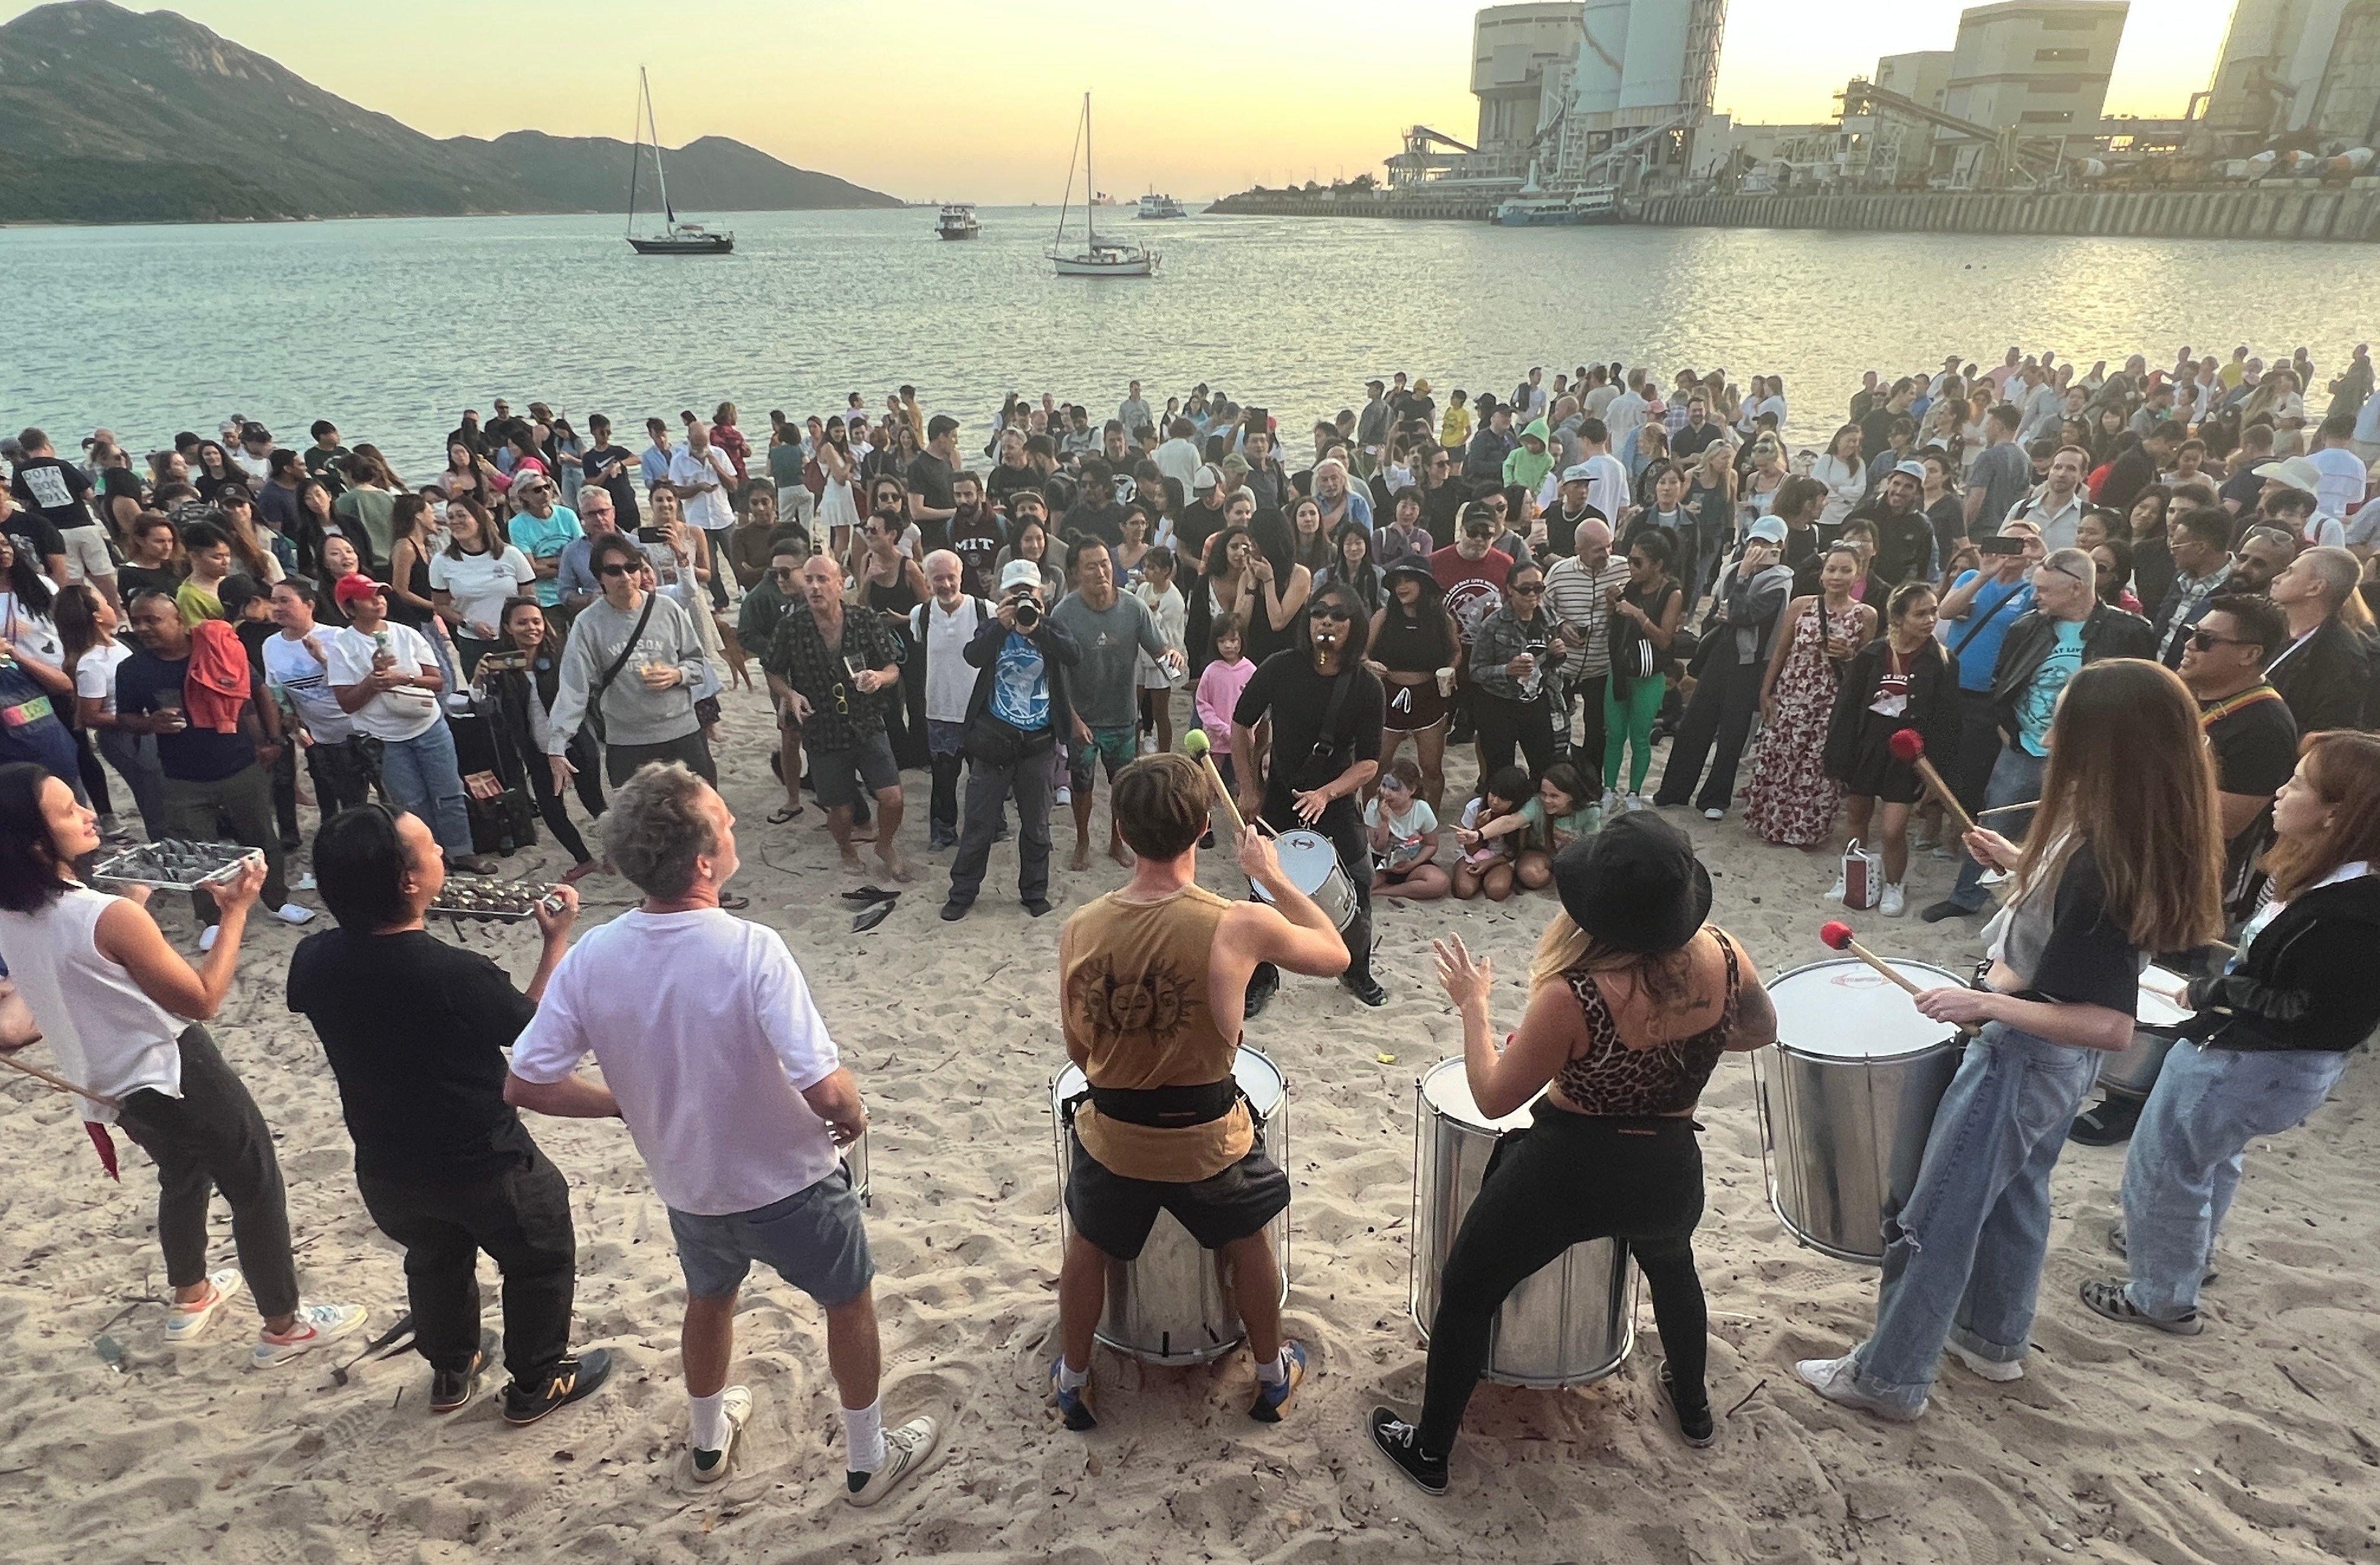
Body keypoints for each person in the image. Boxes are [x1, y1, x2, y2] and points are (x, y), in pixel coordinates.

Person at [1799, 659, 2222, 1421]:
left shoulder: (2099, 861)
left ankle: (1889, 1377)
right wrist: (2021, 865)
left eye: (2062, 718)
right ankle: (1992, 1339)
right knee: (2016, 1198)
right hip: (2054, 1064)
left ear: (2099, 742)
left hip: (2027, 1059)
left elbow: (2108, 1020)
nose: (2047, 730)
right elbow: (2078, 936)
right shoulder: (2117, 828)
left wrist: (1981, 1004)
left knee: (1934, 1218)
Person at [505, 764, 938, 1500]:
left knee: (709, 1299)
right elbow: (825, 1086)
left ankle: (707, 1445)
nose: (735, 824)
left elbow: (528, 1083)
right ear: (703, 861)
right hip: (789, 1184)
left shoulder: (592, 956)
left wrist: (628, 1103)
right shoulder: (751, 948)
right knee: (849, 1298)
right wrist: (853, 1114)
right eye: (726, 821)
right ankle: (867, 1459)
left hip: (690, 1186)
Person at [1370, 816, 1779, 1492]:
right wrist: (1676, 1044)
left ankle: (1430, 1452)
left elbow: (1495, 1096)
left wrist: (1473, 1007)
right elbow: (1760, 1028)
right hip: (1668, 1167)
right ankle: (1697, 1411)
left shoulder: (1573, 994)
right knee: (1674, 1271)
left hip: (1567, 1173)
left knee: (1468, 1291)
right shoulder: (1725, 954)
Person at [0, 765, 365, 1366]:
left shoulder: (18, 911)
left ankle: (191, 1293)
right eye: (69, 811)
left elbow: (78, 969)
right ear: (37, 842)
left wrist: (130, 906)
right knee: (255, 1180)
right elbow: (204, 998)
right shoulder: (104, 917)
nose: (90, 812)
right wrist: (238, 909)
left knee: (184, 1171)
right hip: (171, 1068)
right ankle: (284, 1324)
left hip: (108, 1085)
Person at [1049, 755, 1347, 1430]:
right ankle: (1271, 1377)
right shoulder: (1238, 921)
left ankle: (1072, 1381)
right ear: (1205, 826)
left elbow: (1078, 1051)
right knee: (1247, 1237)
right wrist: (1272, 876)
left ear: (1120, 830)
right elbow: (1335, 953)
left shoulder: (1080, 929)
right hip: (1206, 1139)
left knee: (1087, 1242)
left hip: (1117, 1137)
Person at [291, 805, 611, 1420]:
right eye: (431, 846)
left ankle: (451, 1365)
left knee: (434, 1257)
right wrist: (556, 943)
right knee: (539, 1257)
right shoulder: (454, 973)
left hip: (388, 1166)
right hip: (485, 1162)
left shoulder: (314, 960)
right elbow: (532, 1029)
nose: (442, 851)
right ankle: (539, 1379)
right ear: (409, 881)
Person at [2086, 732, 2380, 1335]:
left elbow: (2321, 1012)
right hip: (2257, 1059)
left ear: (2336, 811)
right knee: (2207, 1159)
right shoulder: (2332, 879)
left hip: (2254, 1060)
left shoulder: (2353, 909)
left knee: (2168, 1166)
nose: (2280, 790)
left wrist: (2208, 993)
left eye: (2297, 782)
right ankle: (2185, 1254)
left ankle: (2161, 1296)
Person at [1926, 550, 2154, 921]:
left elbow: (2141, 693)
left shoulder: (2130, 632)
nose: (2035, 596)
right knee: (1994, 824)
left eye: (2045, 589)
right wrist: (2008, 729)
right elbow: (2003, 679)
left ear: (2077, 588)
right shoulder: (2027, 626)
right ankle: (1966, 897)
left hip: (2087, 759)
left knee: (2072, 834)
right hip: (2023, 748)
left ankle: (2046, 907)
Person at [113, 593, 313, 941]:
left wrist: (274, 740)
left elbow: (259, 692)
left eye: (153, 620)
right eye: (137, 621)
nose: (143, 628)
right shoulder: (133, 669)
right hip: (181, 775)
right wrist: (150, 724)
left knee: (261, 837)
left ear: (178, 620)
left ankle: (277, 901)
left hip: (239, 764)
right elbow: (125, 717)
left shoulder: (217, 649)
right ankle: (211, 921)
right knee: (196, 851)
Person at [1230, 580, 1389, 1010]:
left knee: (1358, 881)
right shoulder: (1280, 667)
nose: (1327, 621)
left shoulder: (1366, 686)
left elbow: (1370, 763)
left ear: (1354, 625)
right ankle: (1262, 978)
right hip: (1279, 796)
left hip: (1334, 800)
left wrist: (1326, 793)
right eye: (1319, 612)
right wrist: (1248, 788)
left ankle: (1356, 969)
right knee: (1263, 888)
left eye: (1338, 615)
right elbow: (1240, 723)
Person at [323, 574, 492, 875]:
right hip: (385, 737)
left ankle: (462, 851)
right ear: (350, 607)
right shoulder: (342, 646)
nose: (379, 601)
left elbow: (438, 681)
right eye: (369, 597)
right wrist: (373, 682)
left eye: (381, 595)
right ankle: (431, 859)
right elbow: (346, 702)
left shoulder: (407, 634)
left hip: (428, 724)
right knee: (412, 802)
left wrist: (403, 679)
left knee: (450, 790)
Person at [942, 560, 1081, 921]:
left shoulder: (1051, 627)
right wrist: (1000, 629)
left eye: (1029, 592)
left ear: (1042, 593)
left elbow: (1074, 655)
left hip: (1037, 743)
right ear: (1001, 596)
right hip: (994, 742)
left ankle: (1035, 892)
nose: (1023, 599)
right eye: (1015, 592)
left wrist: (1038, 628)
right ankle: (962, 893)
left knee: (1037, 825)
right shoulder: (992, 627)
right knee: (978, 823)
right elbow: (972, 656)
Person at [767, 554, 909, 883]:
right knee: (840, 810)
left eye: (822, 580)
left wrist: (878, 677)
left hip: (866, 721)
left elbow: (892, 667)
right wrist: (790, 696)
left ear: (840, 584)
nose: (815, 587)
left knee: (893, 798)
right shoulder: (791, 627)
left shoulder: (864, 620)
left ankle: (885, 846)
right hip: (822, 726)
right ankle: (846, 849)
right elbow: (772, 668)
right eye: (810, 580)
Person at [1823, 582, 1956, 917]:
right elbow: (1847, 708)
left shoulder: (1941, 661)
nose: (1930, 620)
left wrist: (1935, 772)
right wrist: (1838, 758)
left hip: (1909, 753)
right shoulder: (1871, 655)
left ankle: (1894, 884)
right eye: (1920, 613)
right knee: (1857, 816)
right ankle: (1851, 876)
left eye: (1933, 612)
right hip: (1869, 744)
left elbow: (1947, 721)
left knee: (1893, 828)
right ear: (1898, 617)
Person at [548, 534, 717, 790]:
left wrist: (677, 674)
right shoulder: (588, 623)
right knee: (639, 825)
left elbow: (697, 663)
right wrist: (558, 744)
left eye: (631, 568)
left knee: (699, 818)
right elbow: (574, 687)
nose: (626, 577)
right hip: (628, 742)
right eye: (614, 571)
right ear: (600, 577)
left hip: (682, 732)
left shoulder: (667, 608)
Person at [1654, 518, 1794, 821]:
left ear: (1780, 547)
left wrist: (1743, 581)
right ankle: (1674, 791)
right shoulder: (1733, 570)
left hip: (1750, 662)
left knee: (1732, 733)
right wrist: (1728, 605)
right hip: (1721, 653)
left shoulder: (1779, 582)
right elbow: (1723, 609)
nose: (1759, 549)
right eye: (1755, 542)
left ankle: (1715, 798)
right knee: (1695, 723)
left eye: (1767, 544)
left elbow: (1745, 613)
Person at [1743, 543, 1874, 849]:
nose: (1837, 576)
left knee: (1817, 768)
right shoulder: (1801, 605)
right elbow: (1781, 650)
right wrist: (1766, 690)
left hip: (1832, 702)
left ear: (1858, 575)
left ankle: (1806, 831)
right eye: (1832, 569)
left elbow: (1867, 669)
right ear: (1822, 574)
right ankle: (1772, 824)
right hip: (1792, 695)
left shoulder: (1865, 615)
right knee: (1781, 758)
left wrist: (1849, 655)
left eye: (1845, 570)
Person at [475, 598, 602, 879]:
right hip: (536, 750)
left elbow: (582, 695)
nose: (531, 628)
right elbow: (484, 711)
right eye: (522, 622)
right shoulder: (499, 665)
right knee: (551, 809)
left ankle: (618, 853)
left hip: (575, 743)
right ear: (507, 627)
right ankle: (584, 859)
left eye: (536, 621)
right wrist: (479, 680)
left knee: (594, 801)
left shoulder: (562, 657)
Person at [260, 577, 372, 824]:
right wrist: (293, 722)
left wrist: (322, 658)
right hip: (323, 737)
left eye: (285, 601)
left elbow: (362, 680)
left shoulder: (337, 636)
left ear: (310, 604)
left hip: (364, 729)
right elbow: (276, 688)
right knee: (344, 799)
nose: (278, 608)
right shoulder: (271, 645)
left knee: (382, 795)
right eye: (274, 602)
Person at [909, 550, 991, 852]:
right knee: (943, 779)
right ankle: (943, 832)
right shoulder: (922, 614)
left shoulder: (985, 611)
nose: (945, 584)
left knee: (985, 778)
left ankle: (993, 827)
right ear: (928, 580)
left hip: (980, 712)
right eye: (938, 578)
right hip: (940, 711)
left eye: (950, 577)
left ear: (961, 577)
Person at [1365, 561, 1461, 813]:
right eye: (1397, 582)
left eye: (1408, 580)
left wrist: (1451, 669)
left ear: (1424, 584)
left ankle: (1430, 818)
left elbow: (1456, 652)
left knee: (1431, 767)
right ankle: (1370, 815)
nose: (1401, 587)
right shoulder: (1384, 617)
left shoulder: (1442, 619)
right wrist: (1369, 664)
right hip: (1389, 695)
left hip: (1429, 695)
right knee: (1376, 763)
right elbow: (1362, 653)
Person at [1600, 531, 1684, 813]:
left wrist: (1637, 614)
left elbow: (1664, 640)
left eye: (1638, 562)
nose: (1632, 568)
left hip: (1649, 676)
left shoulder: (1671, 593)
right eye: (1630, 561)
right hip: (1622, 671)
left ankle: (1634, 792)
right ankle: (1609, 789)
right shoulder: (1631, 588)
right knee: (1614, 734)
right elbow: (1614, 631)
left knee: (1640, 736)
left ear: (1658, 564)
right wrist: (1613, 605)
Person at [1465, 558, 1567, 782]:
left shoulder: (1547, 616)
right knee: (1500, 774)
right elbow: (1475, 671)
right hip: (1499, 704)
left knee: (1545, 768)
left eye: (1538, 588)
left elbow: (1548, 665)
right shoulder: (1493, 624)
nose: (1532, 594)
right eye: (1525, 589)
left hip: (1537, 701)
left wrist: (1556, 654)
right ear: (1510, 589)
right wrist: (1506, 670)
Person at [2264, 546, 2373, 734]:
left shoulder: (2341, 659)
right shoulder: (2267, 625)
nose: (2276, 578)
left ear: (2315, 588)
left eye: (2290, 572)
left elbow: (2325, 733)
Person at [2148, 506, 2239, 667]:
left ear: (2200, 547)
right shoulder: (2181, 578)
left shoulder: (2235, 589)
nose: (2172, 552)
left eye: (2176, 546)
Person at [1366, 756, 1447, 900]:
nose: (1386, 792)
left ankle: (1385, 891)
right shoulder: (1374, 806)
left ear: (1411, 790)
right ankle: (1385, 887)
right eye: (1384, 786)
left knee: (1439, 882)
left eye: (1394, 788)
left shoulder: (1421, 808)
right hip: (1381, 862)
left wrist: (1412, 865)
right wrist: (1384, 822)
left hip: (1411, 859)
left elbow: (1432, 844)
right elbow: (1377, 846)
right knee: (1363, 885)